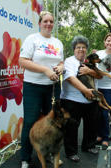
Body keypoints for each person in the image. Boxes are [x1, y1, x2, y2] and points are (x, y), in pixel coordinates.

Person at [18, 11, 64, 168]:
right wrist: (45, 70)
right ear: (39, 23)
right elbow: (22, 62)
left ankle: (50, 154)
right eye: (45, 21)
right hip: (33, 87)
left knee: (52, 123)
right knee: (30, 122)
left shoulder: (58, 42)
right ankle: (25, 158)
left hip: (53, 88)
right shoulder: (32, 39)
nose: (49, 24)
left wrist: (60, 68)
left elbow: (62, 63)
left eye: (51, 21)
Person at [60, 35, 100, 162]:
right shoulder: (69, 61)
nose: (81, 50)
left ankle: (89, 146)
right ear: (74, 49)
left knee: (92, 124)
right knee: (71, 127)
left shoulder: (89, 63)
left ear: (87, 49)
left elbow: (99, 76)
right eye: (78, 47)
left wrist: (89, 71)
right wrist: (85, 91)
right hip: (72, 100)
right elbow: (71, 78)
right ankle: (71, 152)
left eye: (84, 47)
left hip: (91, 100)